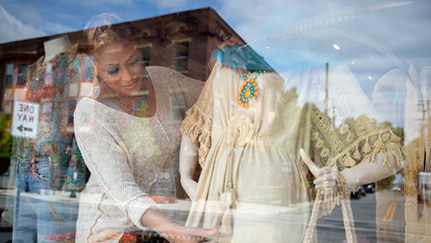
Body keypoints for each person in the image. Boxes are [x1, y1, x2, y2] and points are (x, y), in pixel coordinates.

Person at [179, 45, 405, 242]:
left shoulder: (319, 66)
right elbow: (194, 123)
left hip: (272, 200)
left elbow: (392, 155)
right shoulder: (228, 58)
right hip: (212, 197)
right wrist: (186, 179)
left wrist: (343, 178)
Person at [74, 14, 217, 242]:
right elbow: (123, 190)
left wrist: (220, 64)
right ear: (96, 67)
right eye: (113, 70)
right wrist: (170, 229)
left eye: (133, 61)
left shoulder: (164, 80)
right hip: (114, 231)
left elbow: (215, 97)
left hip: (174, 226)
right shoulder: (90, 113)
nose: (129, 76)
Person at [10, 35, 91, 243]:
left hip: (55, 171)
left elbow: (84, 124)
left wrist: (75, 180)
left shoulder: (80, 64)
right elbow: (21, 130)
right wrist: (13, 178)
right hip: (23, 170)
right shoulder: (30, 73)